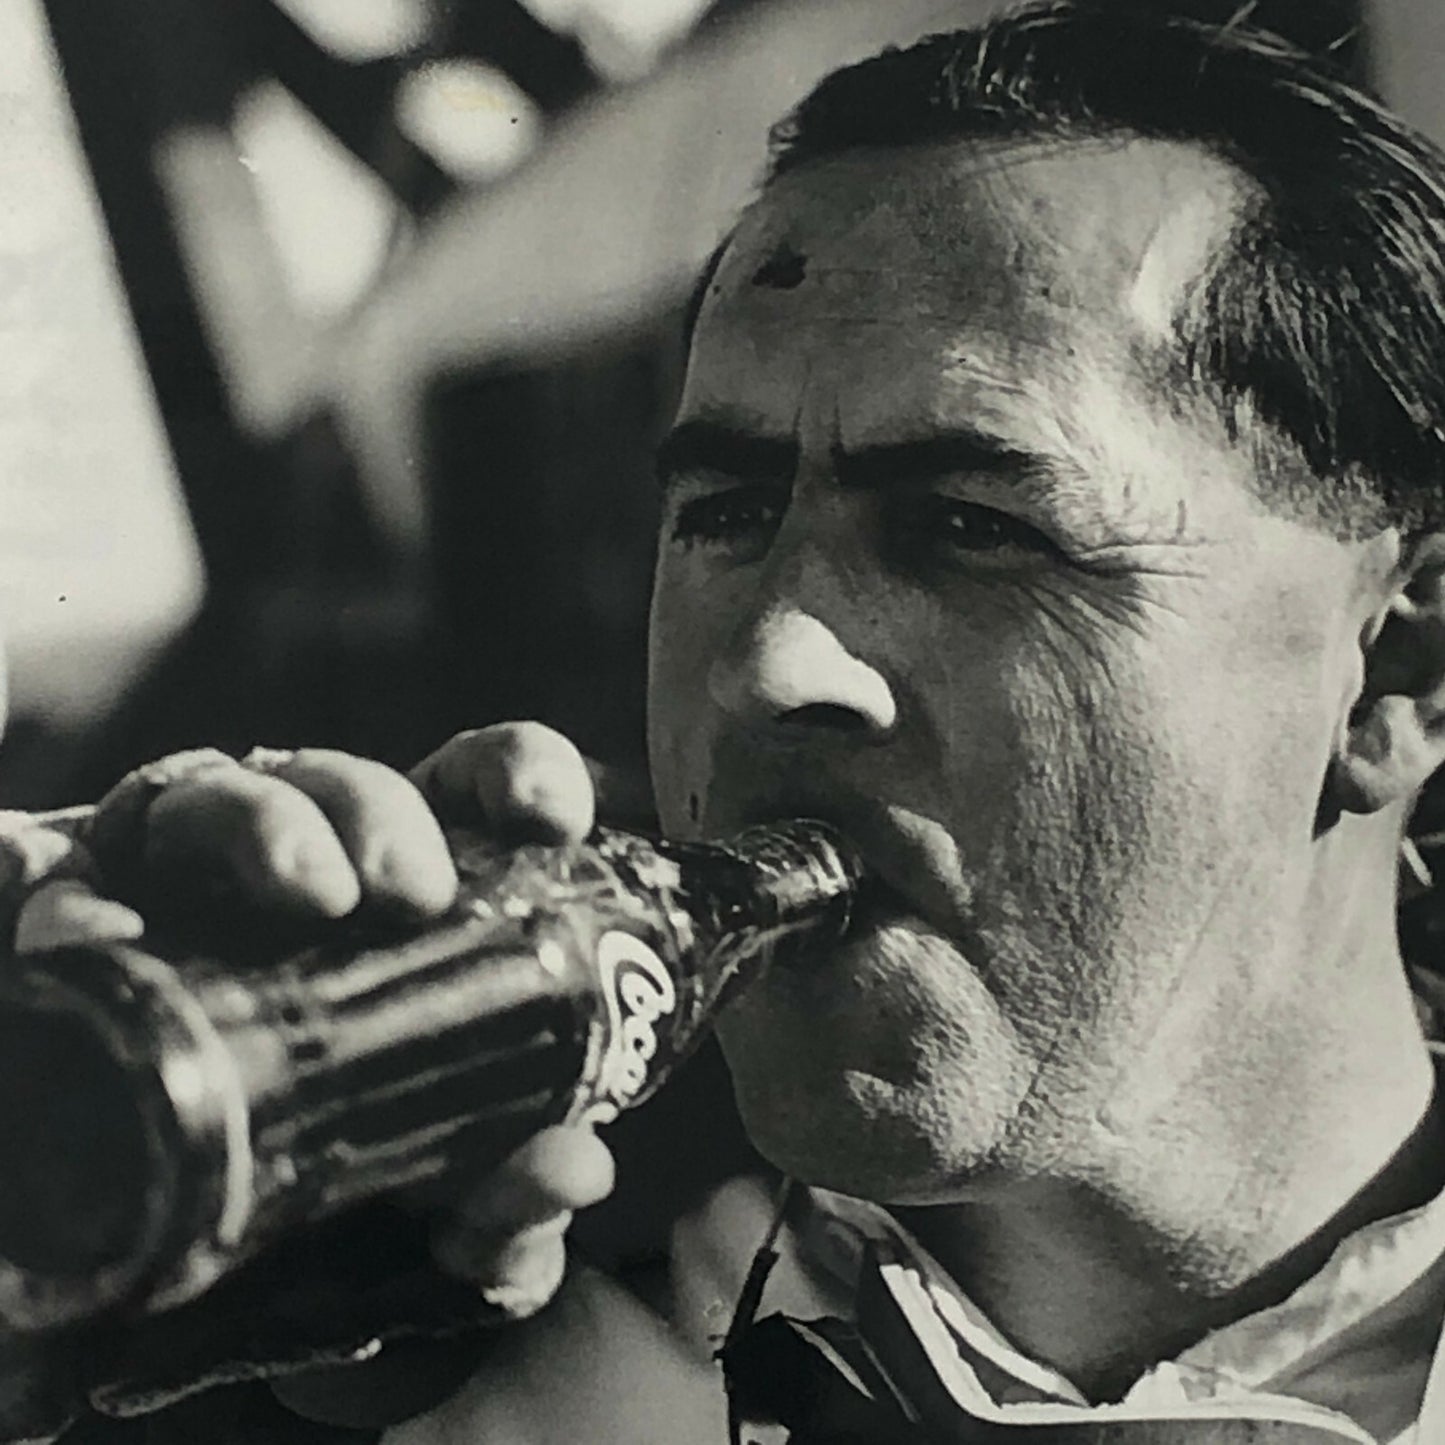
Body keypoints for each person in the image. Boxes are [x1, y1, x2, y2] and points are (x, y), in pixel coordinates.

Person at [14, 1, 1445, 1440]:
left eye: (968, 523)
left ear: (1399, 670)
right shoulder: (436, 1341)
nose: (763, 663)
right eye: (725, 513)